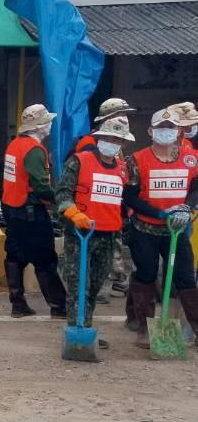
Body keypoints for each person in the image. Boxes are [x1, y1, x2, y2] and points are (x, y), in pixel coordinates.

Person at [55, 116, 137, 344]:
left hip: (108, 234)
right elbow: (62, 193)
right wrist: (73, 212)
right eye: (109, 138)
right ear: (100, 138)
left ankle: (86, 327)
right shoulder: (79, 161)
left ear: (123, 144)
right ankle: (77, 332)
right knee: (78, 284)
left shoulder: (123, 169)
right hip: (80, 233)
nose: (112, 143)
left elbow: (127, 199)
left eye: (117, 140)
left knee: (94, 286)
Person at [127, 107, 198, 347]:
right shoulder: (137, 159)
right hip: (145, 229)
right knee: (146, 275)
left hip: (176, 230)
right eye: (160, 128)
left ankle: (196, 328)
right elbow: (130, 196)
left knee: (186, 277)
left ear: (178, 131)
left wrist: (187, 207)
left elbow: (196, 187)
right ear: (150, 131)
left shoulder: (191, 158)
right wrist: (158, 212)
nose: (165, 132)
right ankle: (144, 330)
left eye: (170, 127)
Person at [1, 104, 67, 319]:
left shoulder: (14, 145)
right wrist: (64, 200)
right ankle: (59, 306)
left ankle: (17, 304)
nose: (50, 125)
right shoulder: (35, 150)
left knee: (15, 256)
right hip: (30, 211)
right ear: (39, 126)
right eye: (47, 121)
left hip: (12, 208)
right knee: (45, 259)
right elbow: (41, 187)